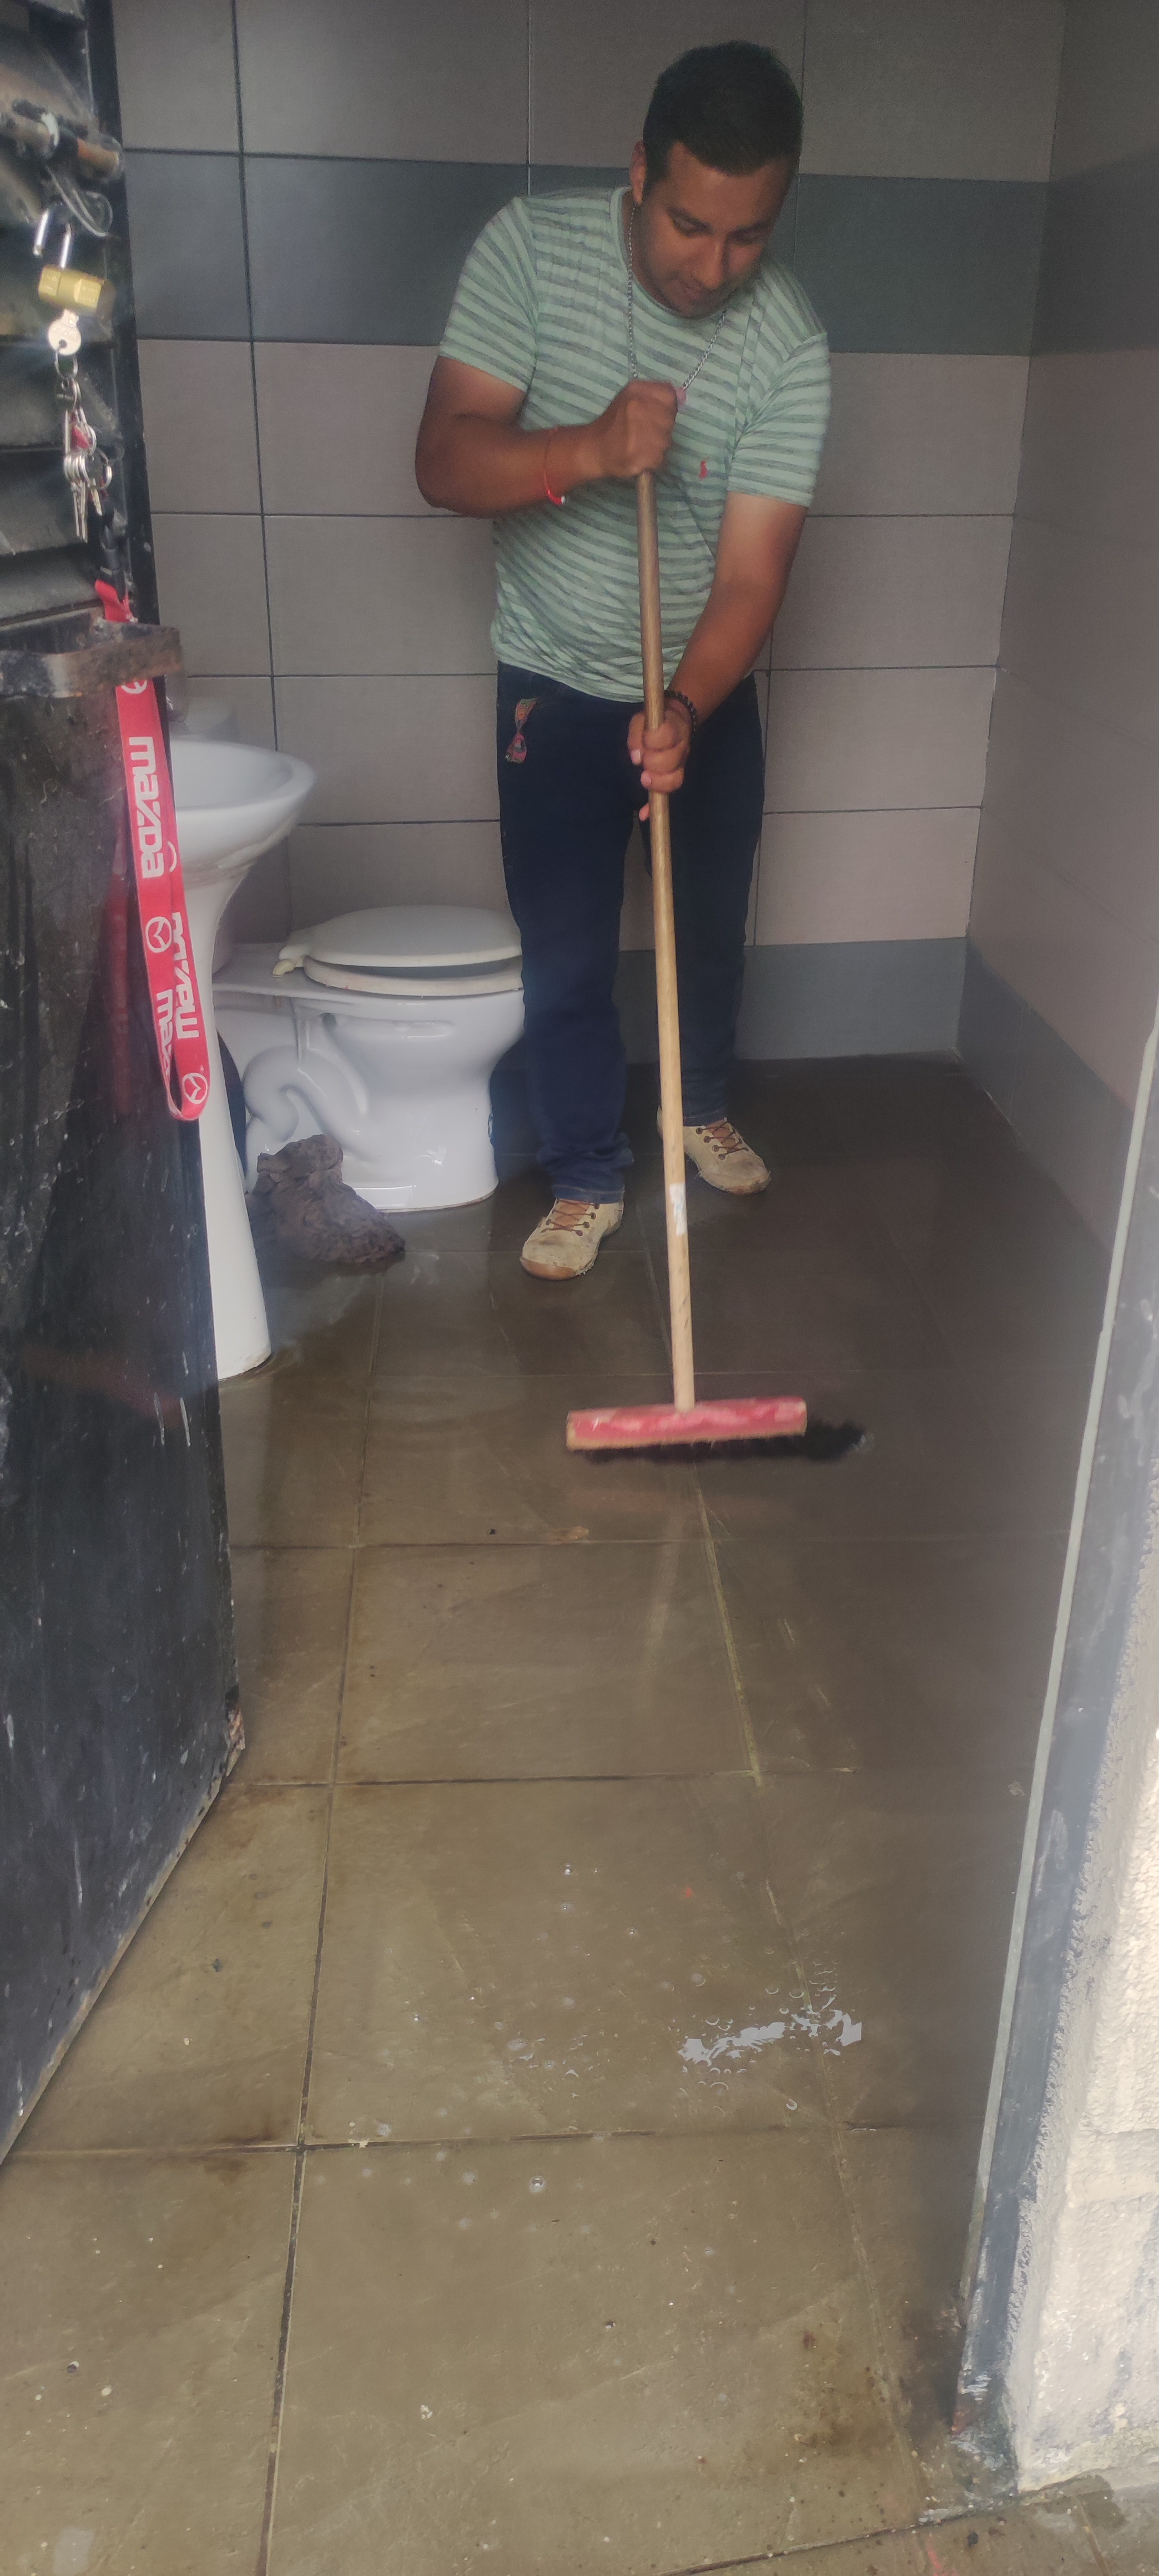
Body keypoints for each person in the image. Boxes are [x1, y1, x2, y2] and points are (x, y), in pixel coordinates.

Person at [416, 40, 830, 1280]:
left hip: (700, 691)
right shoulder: (531, 252)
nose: (712, 268)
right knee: (567, 957)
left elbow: (752, 576)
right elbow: (443, 461)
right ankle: (587, 1172)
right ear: (641, 169)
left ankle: (695, 1105)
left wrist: (687, 707)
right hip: (551, 681)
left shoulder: (790, 346)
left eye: (747, 237)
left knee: (706, 928)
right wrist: (589, 450)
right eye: (689, 225)